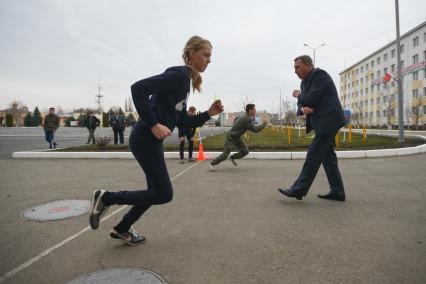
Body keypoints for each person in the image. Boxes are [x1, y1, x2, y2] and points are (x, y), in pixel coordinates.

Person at [89, 36, 224, 245]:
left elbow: (182, 121)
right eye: (206, 55)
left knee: (154, 192)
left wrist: (208, 113)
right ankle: (106, 198)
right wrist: (153, 123)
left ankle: (123, 228)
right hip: (145, 136)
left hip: (149, 141)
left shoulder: (185, 83)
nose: (209, 60)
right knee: (163, 194)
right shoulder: (179, 75)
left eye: (210, 57)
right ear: (191, 54)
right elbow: (138, 88)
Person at [278, 55, 346, 201]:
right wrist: (303, 109)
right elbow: (301, 106)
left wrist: (298, 95)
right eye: (294, 68)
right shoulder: (304, 83)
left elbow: (310, 99)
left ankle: (298, 189)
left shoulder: (320, 75)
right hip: (321, 123)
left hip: (329, 121)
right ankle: (338, 191)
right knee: (328, 158)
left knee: (313, 155)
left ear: (308, 65)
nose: (295, 71)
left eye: (297, 67)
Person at [209, 104, 267, 172]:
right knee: (225, 155)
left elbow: (236, 119)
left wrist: (238, 129)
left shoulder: (244, 116)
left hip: (237, 137)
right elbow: (255, 130)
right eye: (254, 109)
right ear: (250, 110)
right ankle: (212, 164)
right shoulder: (247, 119)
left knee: (245, 151)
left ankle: (232, 157)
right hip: (231, 137)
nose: (255, 111)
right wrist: (264, 124)